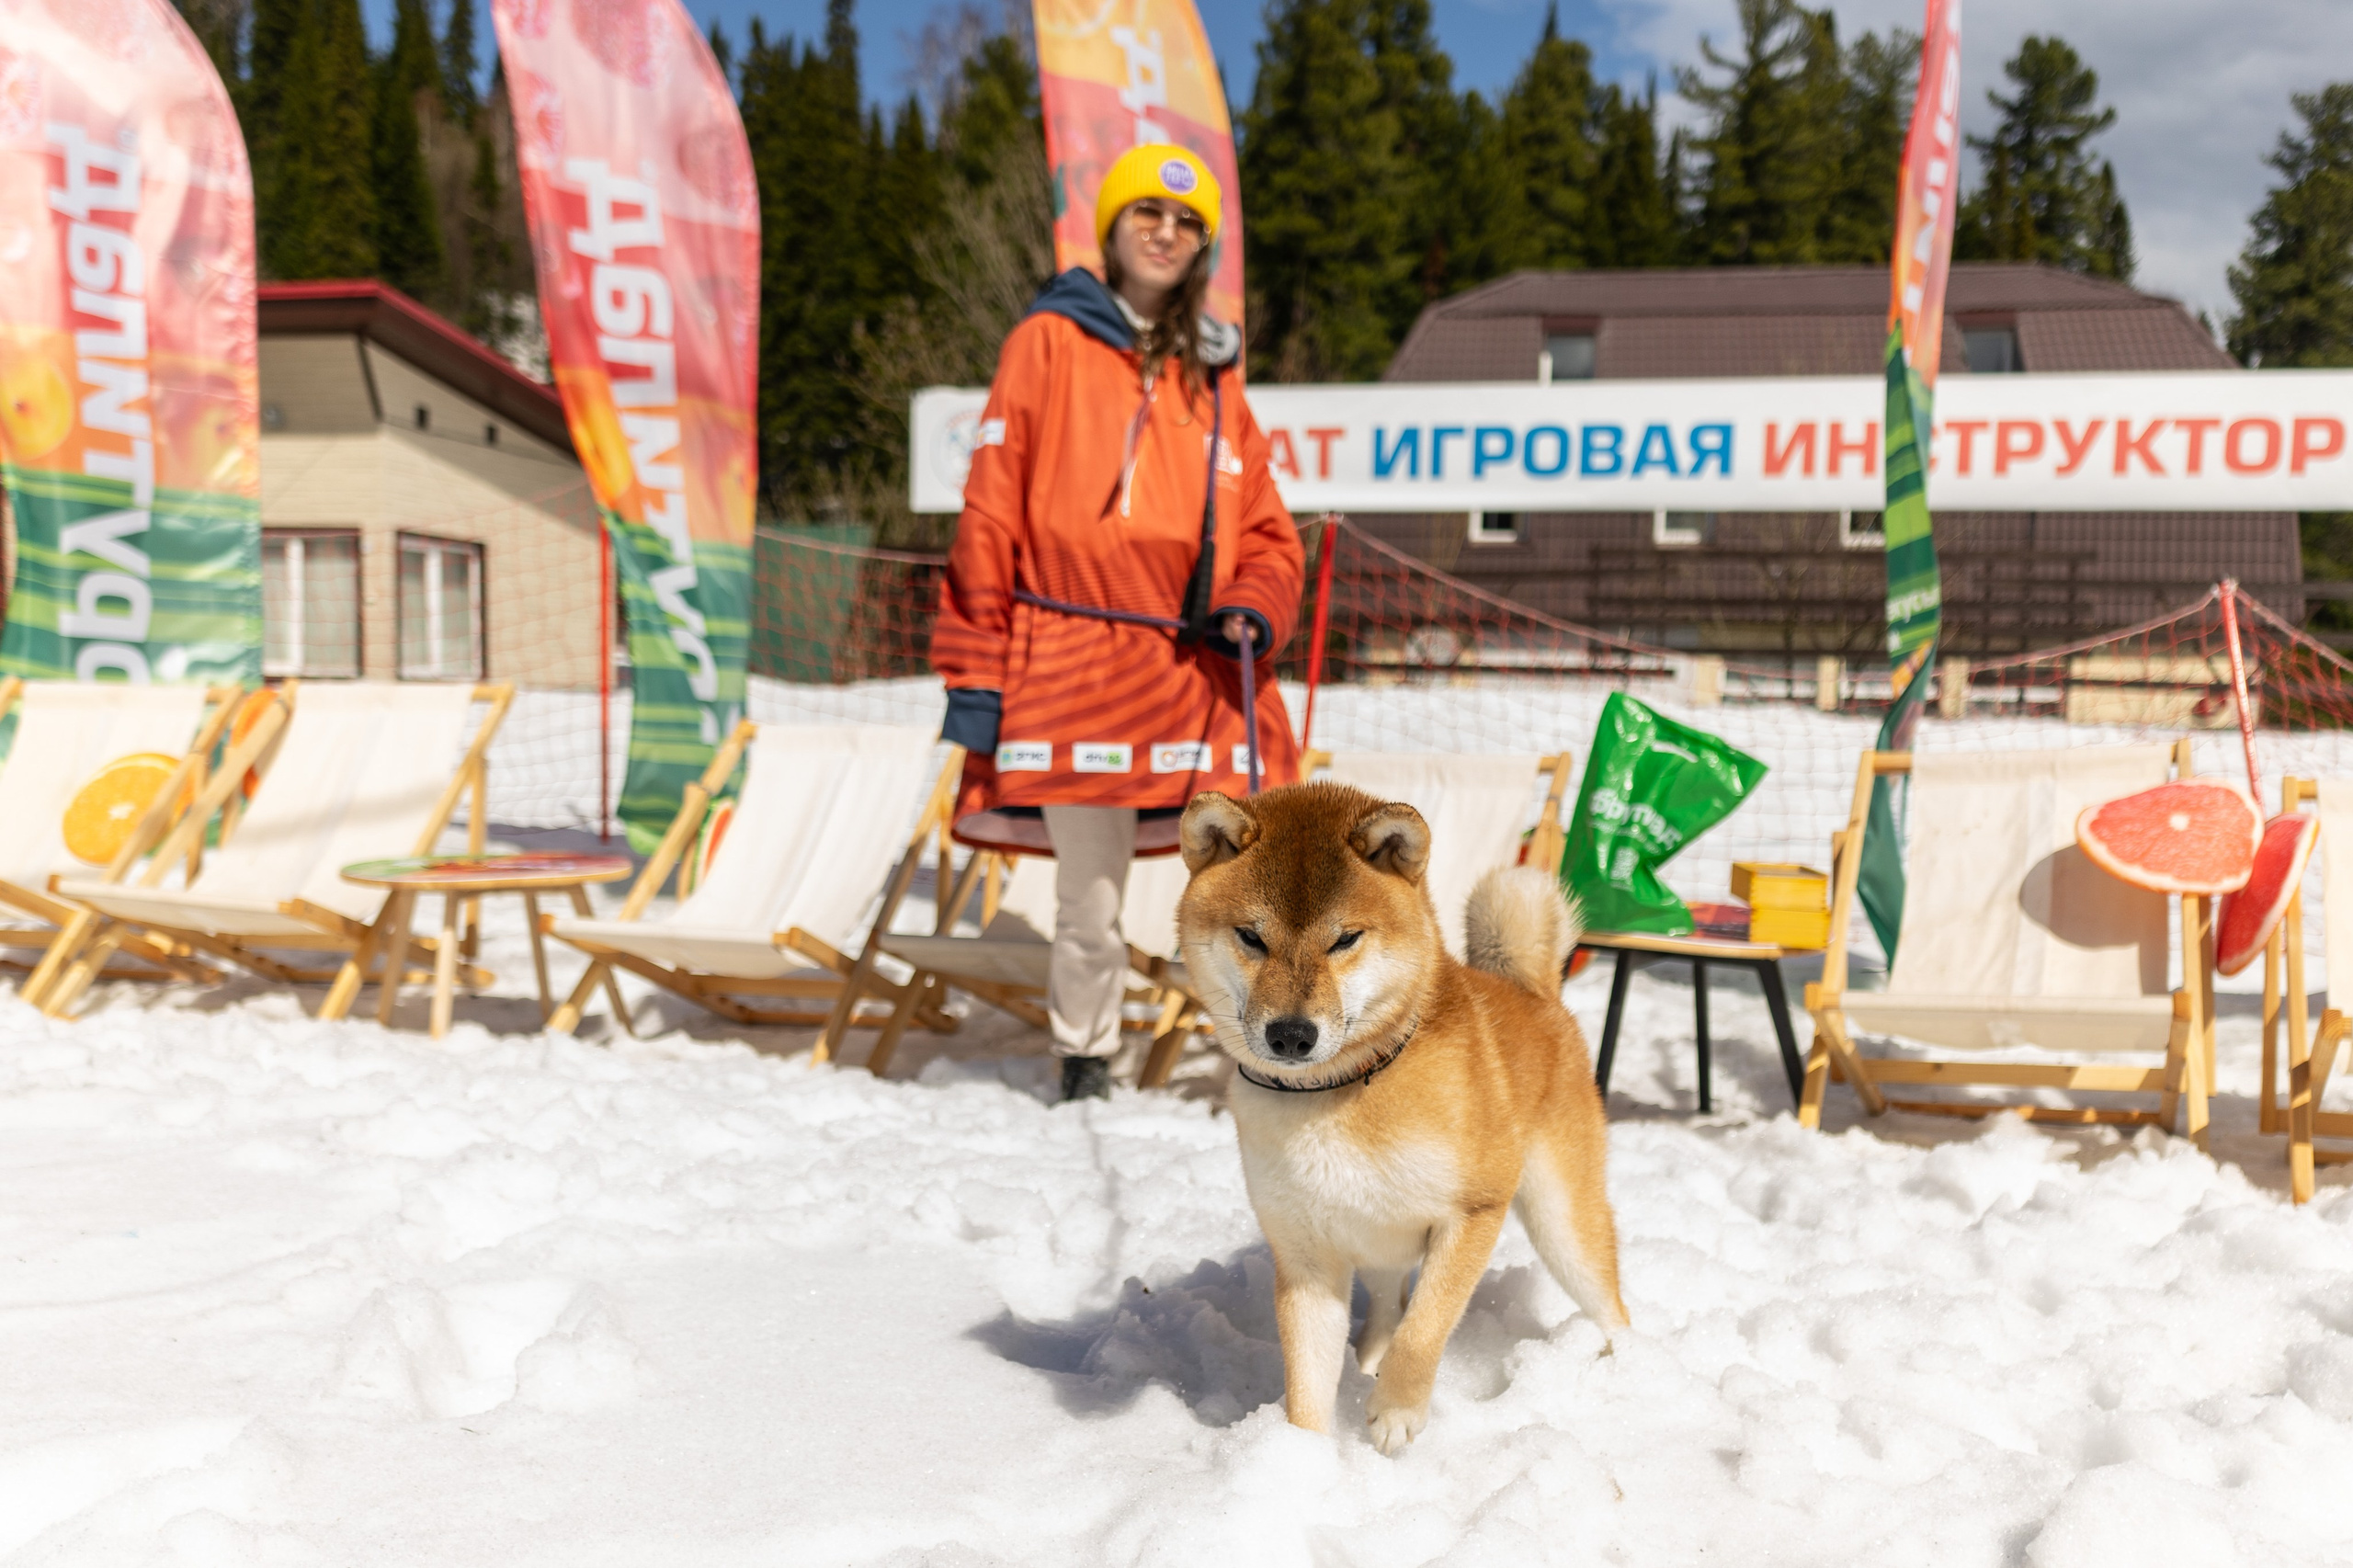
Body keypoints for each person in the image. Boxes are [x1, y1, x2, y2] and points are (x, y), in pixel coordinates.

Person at [931, 144, 1304, 1103]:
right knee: (1087, 894)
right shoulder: (1044, 342)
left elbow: (1269, 530)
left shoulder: (1214, 375)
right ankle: (1085, 1058)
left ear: (1202, 246)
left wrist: (1256, 602)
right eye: (1149, 214)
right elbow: (991, 510)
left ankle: (1260, 1051)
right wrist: (975, 673)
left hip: (1193, 662)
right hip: (1067, 653)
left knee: (1243, 883)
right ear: (1112, 229)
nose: (1166, 232)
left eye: (1186, 223)